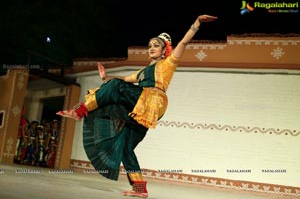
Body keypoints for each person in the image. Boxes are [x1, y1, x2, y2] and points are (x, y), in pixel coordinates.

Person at [56, 14, 218, 198]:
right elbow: (123, 80)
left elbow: (183, 43)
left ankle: (80, 111)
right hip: (140, 110)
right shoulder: (142, 72)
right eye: (149, 46)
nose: (151, 48)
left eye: (156, 45)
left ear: (165, 49)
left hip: (153, 100)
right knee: (126, 148)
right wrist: (105, 78)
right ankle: (140, 189)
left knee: (115, 89)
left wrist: (196, 23)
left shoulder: (168, 64)